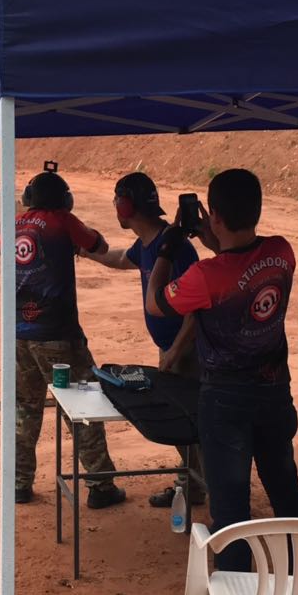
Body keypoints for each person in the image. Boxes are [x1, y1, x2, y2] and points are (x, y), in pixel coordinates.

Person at [144, 168, 298, 570]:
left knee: (231, 509)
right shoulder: (281, 253)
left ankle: (235, 591)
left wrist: (167, 247)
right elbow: (241, 262)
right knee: (285, 489)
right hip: (274, 393)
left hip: (225, 402)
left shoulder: (205, 276)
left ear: (214, 215)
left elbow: (155, 302)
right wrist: (212, 237)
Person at [79, 171, 206, 508]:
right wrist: (88, 253)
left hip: (188, 350)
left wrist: (175, 351)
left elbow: (196, 309)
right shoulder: (150, 243)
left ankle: (204, 491)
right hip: (173, 348)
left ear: (125, 206)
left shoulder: (175, 248)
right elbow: (123, 259)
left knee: (194, 424)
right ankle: (192, 485)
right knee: (184, 422)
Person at [12, 168, 125, 508]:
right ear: (64, 200)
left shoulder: (14, 226)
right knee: (84, 403)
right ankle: (100, 484)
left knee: (25, 409)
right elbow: (98, 245)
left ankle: (19, 483)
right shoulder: (63, 220)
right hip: (58, 335)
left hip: (20, 334)